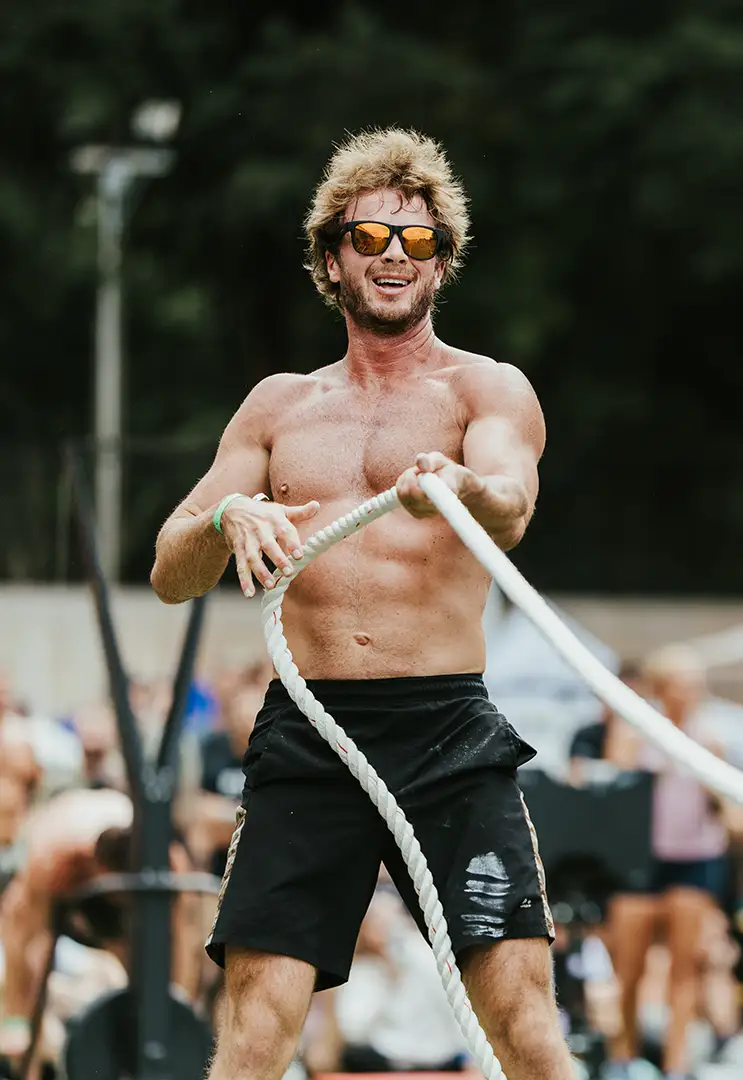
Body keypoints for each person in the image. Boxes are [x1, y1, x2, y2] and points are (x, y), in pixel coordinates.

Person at [150, 126, 573, 1080]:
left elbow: (510, 509)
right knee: (257, 1027)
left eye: (417, 242)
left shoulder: (484, 390)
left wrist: (463, 491)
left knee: (523, 1021)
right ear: (330, 256)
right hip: (309, 733)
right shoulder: (277, 407)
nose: (393, 258)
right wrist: (226, 515)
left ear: (442, 262)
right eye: (371, 238)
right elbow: (171, 573)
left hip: (446, 730)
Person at [604, 645, 738, 1080]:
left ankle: (676, 1066)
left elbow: (724, 809)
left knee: (686, 969)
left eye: (696, 684)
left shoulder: (709, 737)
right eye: (683, 683)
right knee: (630, 968)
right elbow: (614, 794)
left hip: (694, 859)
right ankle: (623, 1058)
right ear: (664, 687)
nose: (691, 692)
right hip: (641, 862)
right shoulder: (634, 733)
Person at [0, 788, 202, 1069]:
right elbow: (23, 936)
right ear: (101, 867)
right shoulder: (57, 857)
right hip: (65, 884)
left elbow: (184, 938)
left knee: (153, 972)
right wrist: (16, 1021)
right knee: (31, 973)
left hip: (127, 899)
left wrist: (178, 1017)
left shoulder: (167, 862)